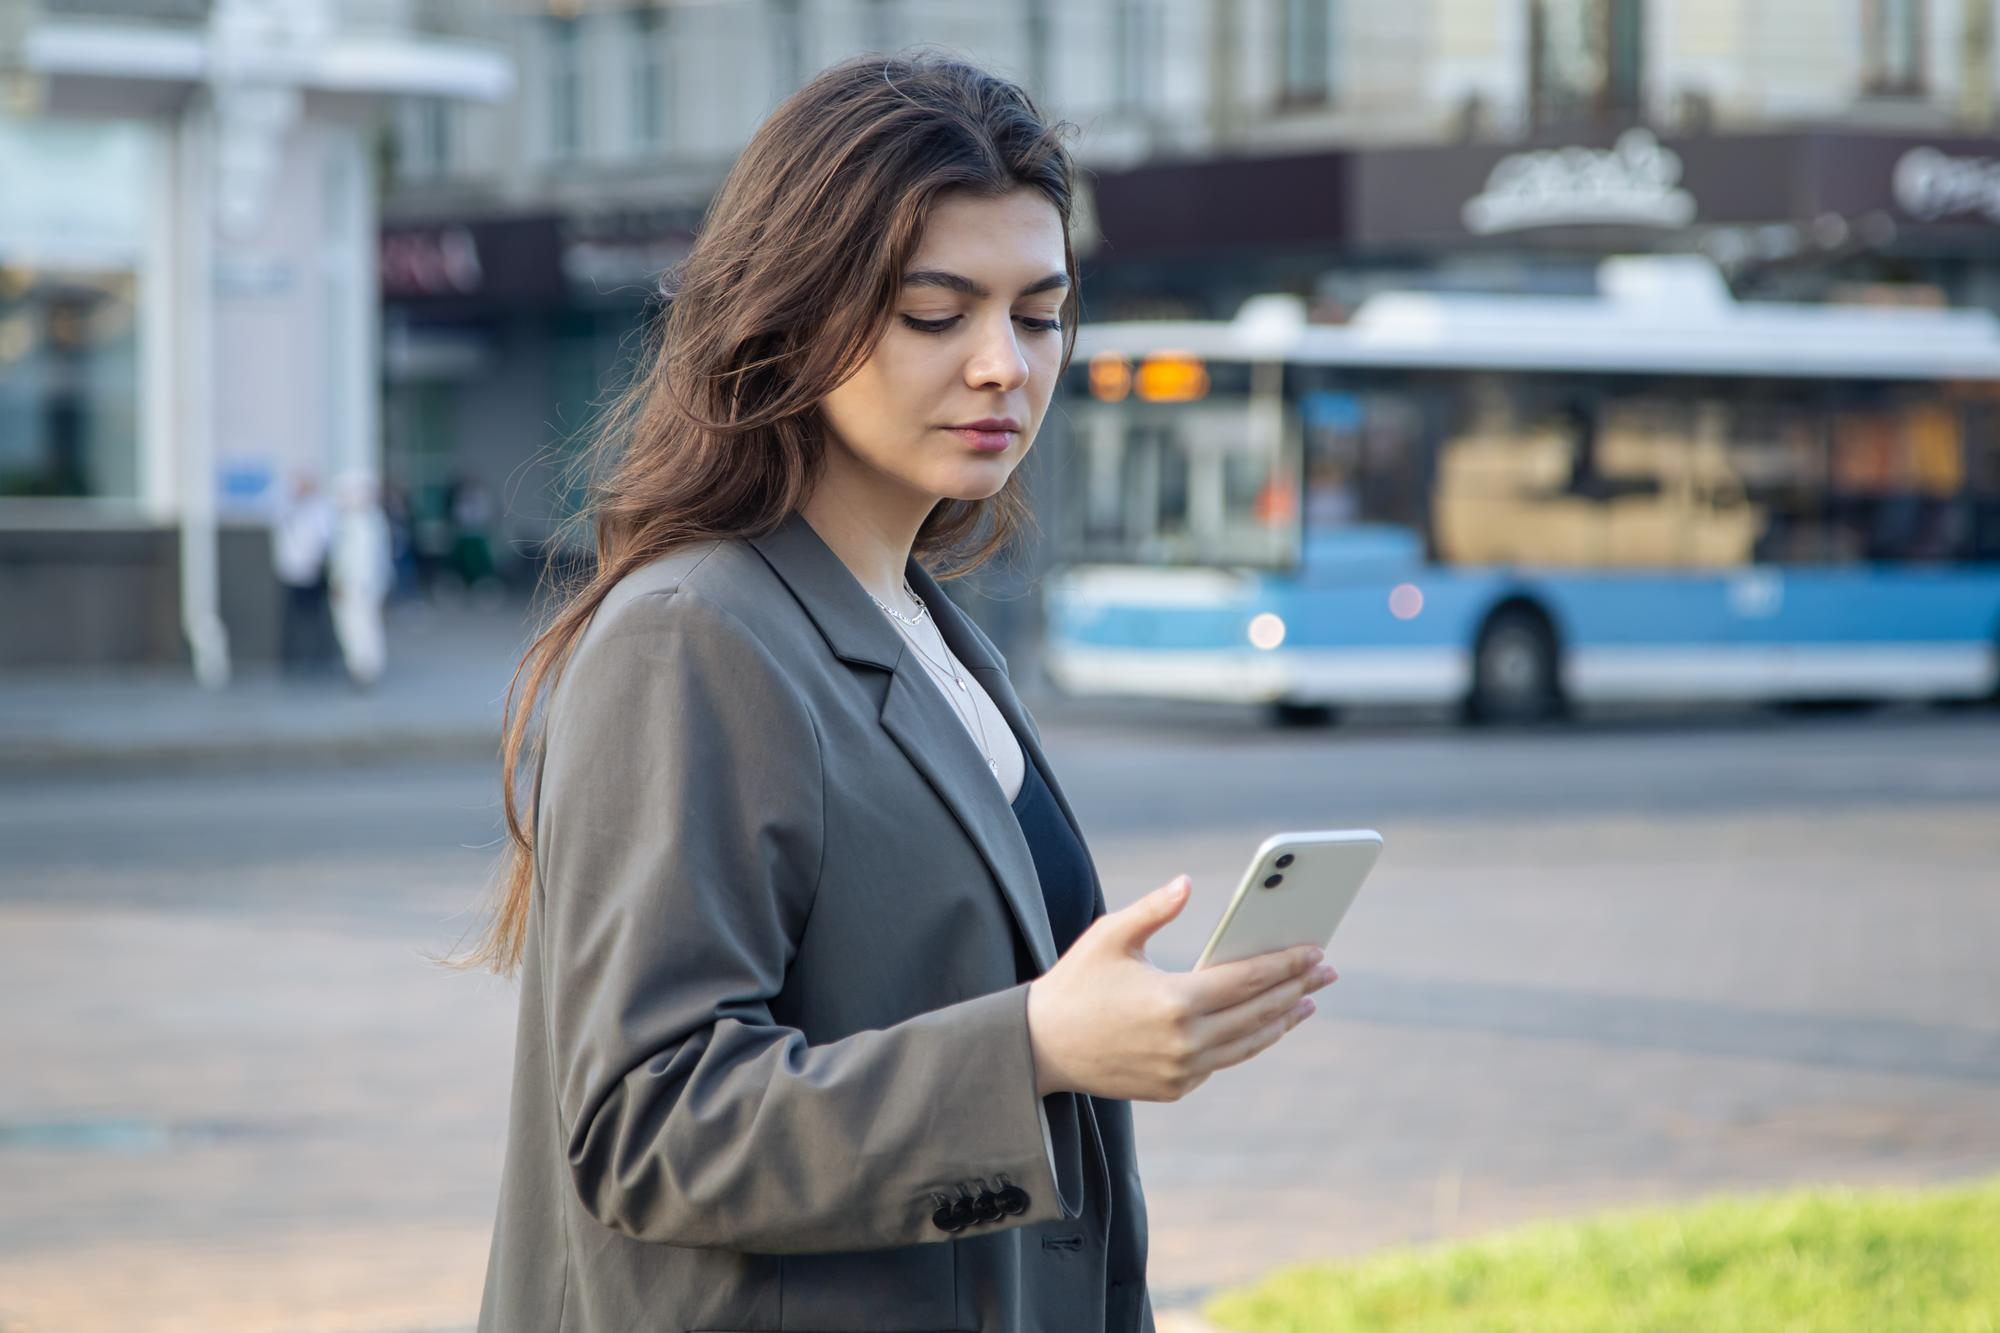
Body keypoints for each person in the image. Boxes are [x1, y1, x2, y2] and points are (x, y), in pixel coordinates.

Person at [456, 52, 1337, 1333]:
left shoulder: (923, 622)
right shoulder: (693, 632)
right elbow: (644, 1125)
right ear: (794, 312)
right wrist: (1035, 1046)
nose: (1001, 366)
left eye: (1037, 316)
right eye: (937, 313)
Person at [328, 470, 394, 688]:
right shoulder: (360, 520)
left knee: (360, 626)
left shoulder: (363, 523)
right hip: (360, 586)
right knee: (358, 625)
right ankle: (361, 665)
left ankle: (363, 667)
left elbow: (359, 562)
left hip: (358, 586)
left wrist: (346, 582)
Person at [273, 470, 336, 674]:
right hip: (291, 571)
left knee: (314, 616)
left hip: (313, 570)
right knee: (293, 616)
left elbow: (323, 539)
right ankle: (295, 657)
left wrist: (316, 561)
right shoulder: (290, 508)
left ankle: (317, 657)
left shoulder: (321, 510)